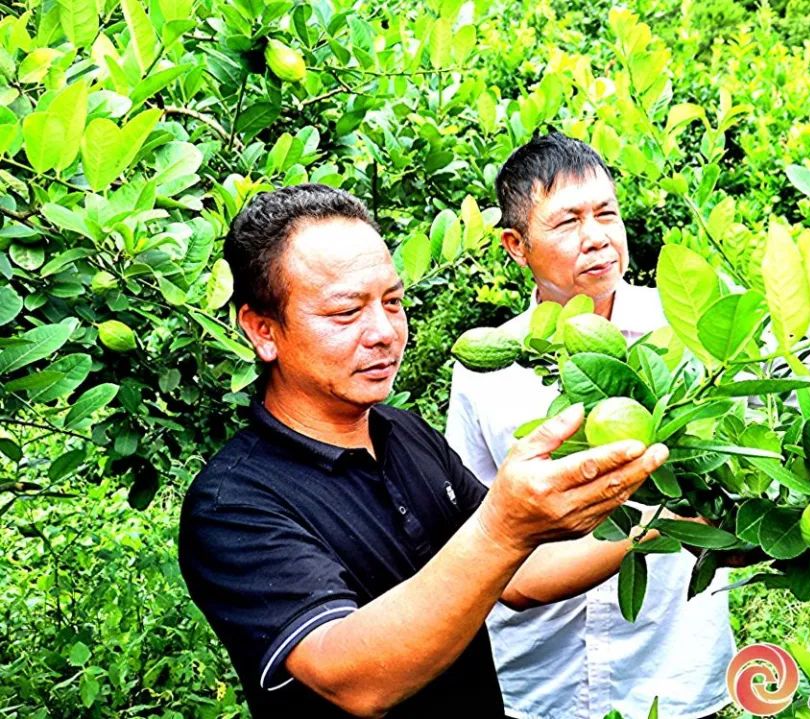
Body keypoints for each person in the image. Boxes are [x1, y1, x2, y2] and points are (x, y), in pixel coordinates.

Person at [177, 184, 670, 719]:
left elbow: (523, 573)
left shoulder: (404, 433)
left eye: (392, 302)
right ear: (263, 330)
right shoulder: (233, 503)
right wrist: (504, 527)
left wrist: (678, 523)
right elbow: (356, 681)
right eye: (346, 312)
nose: (384, 332)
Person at [446, 133, 738, 719]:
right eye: (568, 221)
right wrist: (674, 524)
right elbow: (477, 528)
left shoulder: (692, 331)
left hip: (672, 670)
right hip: (540, 677)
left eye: (607, 213)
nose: (597, 236)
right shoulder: (485, 370)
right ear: (516, 245)